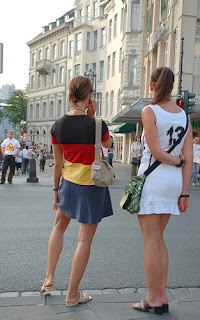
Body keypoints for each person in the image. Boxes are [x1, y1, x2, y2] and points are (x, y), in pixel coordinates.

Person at [41, 75, 113, 306]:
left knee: (59, 227)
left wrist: (55, 191)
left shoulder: (57, 126)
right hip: (92, 185)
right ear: (89, 97)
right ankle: (72, 294)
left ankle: (49, 277)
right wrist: (93, 119)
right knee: (84, 240)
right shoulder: (97, 124)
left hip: (69, 183)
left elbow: (58, 164)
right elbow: (108, 145)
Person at [131, 67, 193, 315]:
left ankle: (152, 298)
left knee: (151, 241)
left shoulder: (150, 111)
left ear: (152, 85)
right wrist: (185, 191)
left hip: (153, 179)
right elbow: (189, 157)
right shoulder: (183, 115)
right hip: (173, 182)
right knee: (159, 239)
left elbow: (155, 152)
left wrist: (175, 161)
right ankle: (162, 296)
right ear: (172, 86)